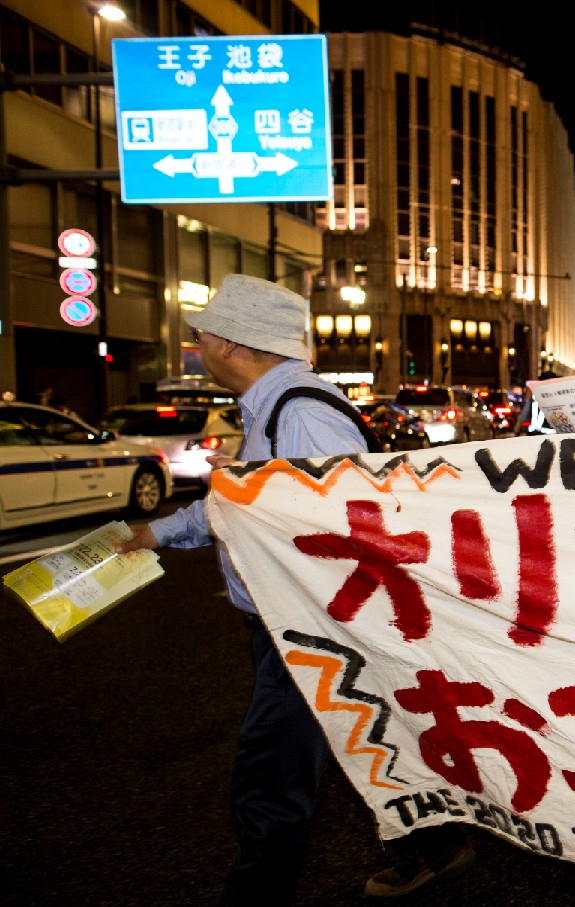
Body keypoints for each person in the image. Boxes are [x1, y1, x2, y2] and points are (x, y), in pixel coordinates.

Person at [115, 275, 475, 904]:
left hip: (310, 622)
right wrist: (161, 533)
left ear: (230, 343)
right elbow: (256, 503)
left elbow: (349, 517)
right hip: (307, 616)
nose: (197, 345)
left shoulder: (302, 415)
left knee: (271, 773)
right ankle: (435, 845)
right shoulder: (278, 409)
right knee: (371, 737)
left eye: (202, 335)